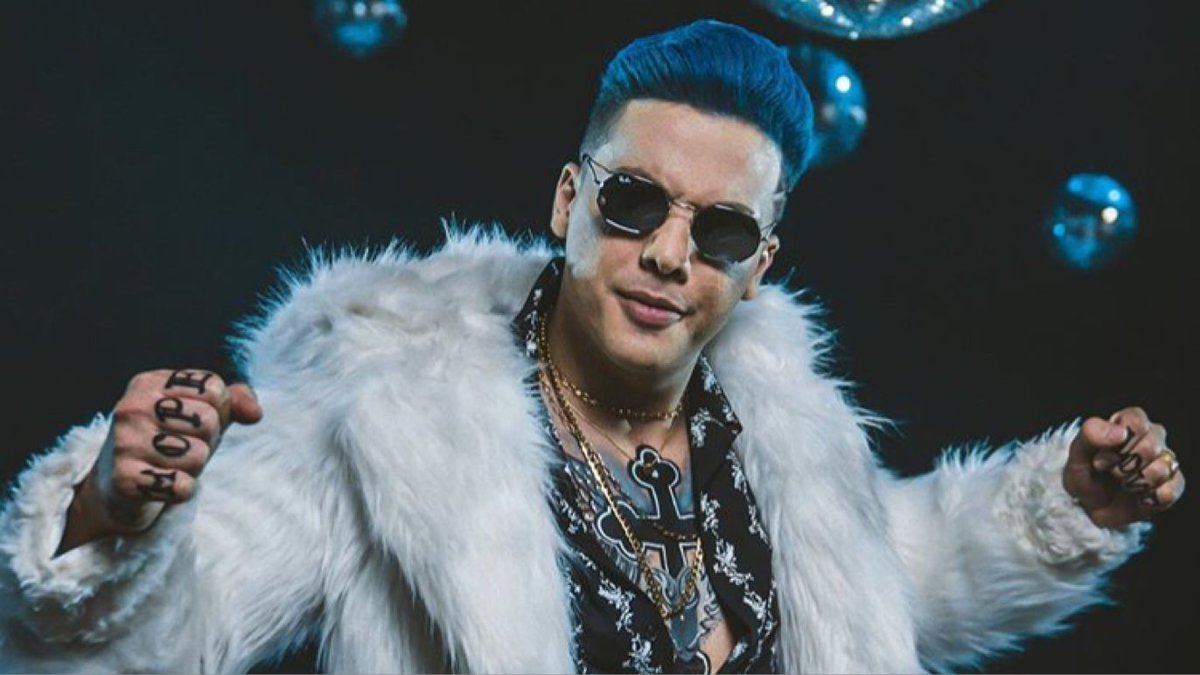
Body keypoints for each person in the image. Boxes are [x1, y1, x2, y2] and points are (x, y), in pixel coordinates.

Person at [0, 18, 1185, 674]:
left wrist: (1063, 506)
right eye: (633, 202)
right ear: (568, 201)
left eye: (720, 230)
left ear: (760, 266)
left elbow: (892, 576)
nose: (669, 253)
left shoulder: (788, 439)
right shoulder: (388, 413)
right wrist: (113, 516)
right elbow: (173, 630)